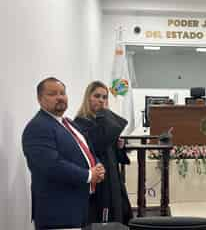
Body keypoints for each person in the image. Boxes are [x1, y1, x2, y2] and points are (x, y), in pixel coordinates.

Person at [22, 77, 105, 230]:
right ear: (40, 99)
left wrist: (98, 165)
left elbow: (86, 151)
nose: (60, 97)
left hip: (78, 208)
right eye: (53, 94)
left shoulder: (67, 123)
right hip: (57, 212)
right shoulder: (38, 127)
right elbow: (52, 165)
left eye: (62, 93)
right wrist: (88, 175)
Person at [74, 81, 132, 225]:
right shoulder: (81, 123)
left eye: (105, 97)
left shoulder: (104, 120)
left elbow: (114, 152)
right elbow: (98, 145)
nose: (101, 100)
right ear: (88, 98)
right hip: (99, 180)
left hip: (113, 177)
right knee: (103, 218)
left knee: (119, 214)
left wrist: (119, 146)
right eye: (97, 96)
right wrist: (105, 117)